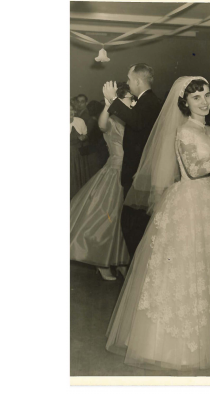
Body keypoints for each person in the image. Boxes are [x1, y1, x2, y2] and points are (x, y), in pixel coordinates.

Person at [105, 76, 210, 370]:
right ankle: (173, 346)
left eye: (207, 95)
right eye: (197, 97)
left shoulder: (208, 129)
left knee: (204, 272)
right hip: (188, 205)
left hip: (207, 205)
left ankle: (200, 339)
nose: (205, 101)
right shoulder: (184, 131)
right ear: (185, 102)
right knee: (182, 272)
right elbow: (195, 171)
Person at [70, 83, 135, 281]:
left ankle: (121, 261)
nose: (133, 102)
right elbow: (100, 125)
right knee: (107, 219)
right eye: (130, 99)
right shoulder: (111, 120)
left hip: (131, 173)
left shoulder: (132, 121)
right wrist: (109, 103)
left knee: (125, 220)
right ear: (120, 100)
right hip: (114, 172)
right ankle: (101, 262)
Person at [103, 63, 164, 267]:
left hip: (141, 173)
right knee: (132, 224)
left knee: (133, 225)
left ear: (137, 81)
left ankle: (138, 272)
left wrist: (113, 100)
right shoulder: (146, 100)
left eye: (129, 80)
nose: (128, 83)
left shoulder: (150, 101)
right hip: (137, 172)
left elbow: (136, 122)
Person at [70, 116, 91, 198]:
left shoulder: (80, 121)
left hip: (80, 153)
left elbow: (86, 135)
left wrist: (84, 137)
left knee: (81, 173)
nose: (71, 112)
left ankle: (82, 195)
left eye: (72, 109)